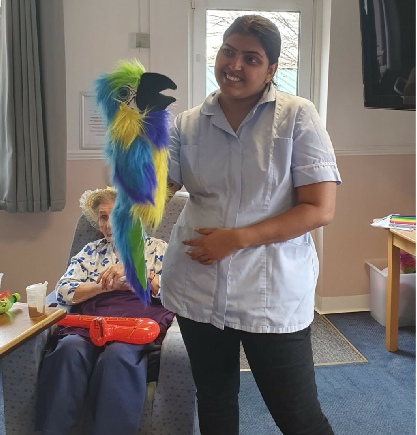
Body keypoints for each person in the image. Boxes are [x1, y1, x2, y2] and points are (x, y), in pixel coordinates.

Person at [161, 15, 341, 435]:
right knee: (215, 400)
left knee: (297, 413)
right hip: (196, 286)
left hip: (270, 292)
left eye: (251, 57)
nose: (234, 64)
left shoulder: (297, 116)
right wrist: (131, 158)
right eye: (228, 51)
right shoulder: (188, 123)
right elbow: (156, 196)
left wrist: (237, 239)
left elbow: (319, 208)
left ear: (272, 69)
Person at [35, 187, 174, 435]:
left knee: (118, 355)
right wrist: (102, 285)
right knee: (68, 349)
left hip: (135, 327)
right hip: (90, 323)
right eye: (102, 217)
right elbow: (64, 290)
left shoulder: (158, 249)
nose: (109, 224)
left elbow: (175, 293)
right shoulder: (91, 251)